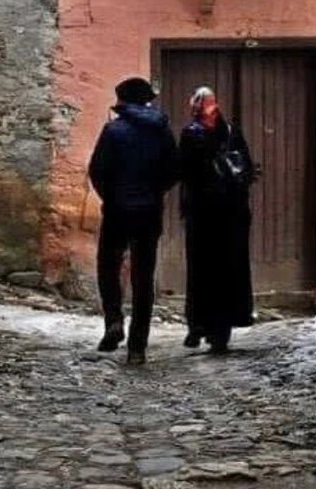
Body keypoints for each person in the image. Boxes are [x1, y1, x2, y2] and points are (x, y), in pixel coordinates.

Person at [88, 76, 179, 365]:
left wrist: (110, 197)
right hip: (149, 211)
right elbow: (173, 169)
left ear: (123, 101)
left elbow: (97, 170)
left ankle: (114, 320)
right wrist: (155, 192)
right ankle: (138, 346)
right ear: (147, 100)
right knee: (143, 275)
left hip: (117, 210)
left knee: (108, 266)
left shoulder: (113, 131)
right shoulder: (162, 131)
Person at [178, 86, 255, 354]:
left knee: (224, 271)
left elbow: (246, 167)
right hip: (205, 214)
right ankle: (201, 325)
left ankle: (219, 328)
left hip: (226, 213)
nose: (205, 108)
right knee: (204, 271)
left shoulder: (229, 133)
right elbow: (186, 172)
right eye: (202, 104)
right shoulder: (191, 135)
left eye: (207, 103)